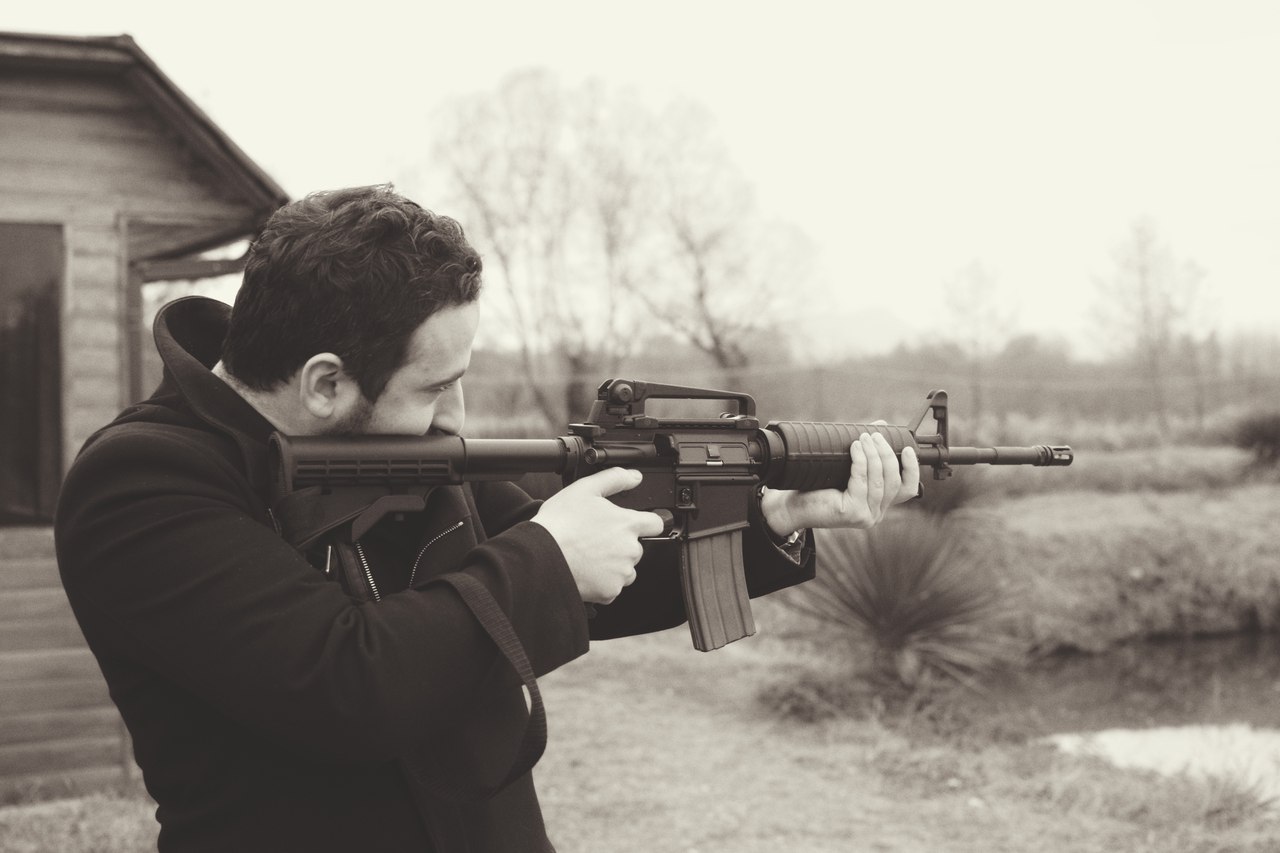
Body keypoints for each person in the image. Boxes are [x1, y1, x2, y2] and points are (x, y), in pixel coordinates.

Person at [54, 185, 919, 852]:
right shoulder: (142, 484)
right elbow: (342, 684)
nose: (458, 415)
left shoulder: (410, 453)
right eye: (436, 385)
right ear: (325, 383)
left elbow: (591, 576)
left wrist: (771, 516)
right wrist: (548, 556)